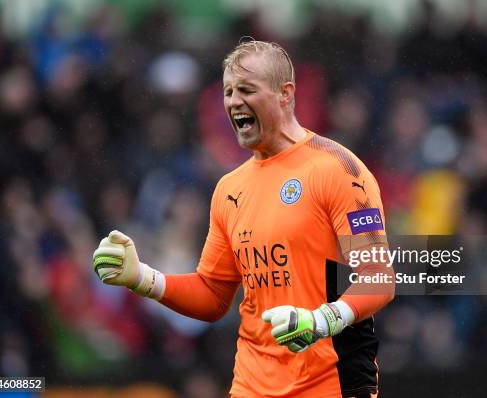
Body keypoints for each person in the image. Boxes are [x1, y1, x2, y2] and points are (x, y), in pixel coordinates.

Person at [93, 40, 394, 398]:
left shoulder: (338, 169)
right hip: (252, 386)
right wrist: (141, 277)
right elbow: (212, 294)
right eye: (228, 92)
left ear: (285, 94)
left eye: (247, 90)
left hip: (331, 385)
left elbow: (378, 277)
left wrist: (322, 320)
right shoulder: (229, 189)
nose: (234, 101)